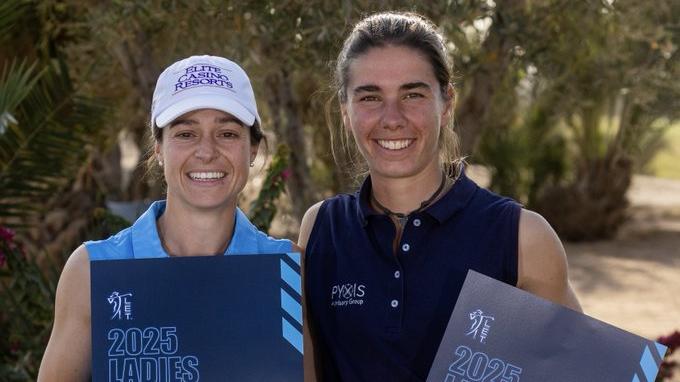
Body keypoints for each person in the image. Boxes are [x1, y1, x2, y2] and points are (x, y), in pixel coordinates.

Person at [298, 12, 582, 381]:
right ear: (345, 112)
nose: (392, 118)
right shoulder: (320, 228)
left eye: (412, 94)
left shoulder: (521, 237)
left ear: (446, 103)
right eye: (370, 97)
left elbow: (581, 368)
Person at [38, 55, 304, 380]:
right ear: (159, 150)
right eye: (185, 134)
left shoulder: (289, 270)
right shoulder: (91, 271)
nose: (206, 151)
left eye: (227, 133)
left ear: (253, 150)